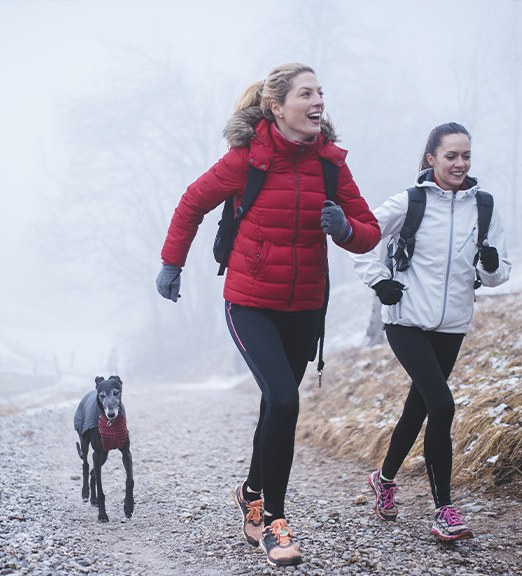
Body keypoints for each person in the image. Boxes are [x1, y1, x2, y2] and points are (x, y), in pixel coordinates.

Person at [155, 63, 380, 567]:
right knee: (283, 397)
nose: (319, 100)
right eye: (307, 94)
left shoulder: (331, 165)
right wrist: (172, 264)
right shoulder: (247, 159)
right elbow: (191, 202)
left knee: (276, 404)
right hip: (250, 300)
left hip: (305, 305)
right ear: (277, 107)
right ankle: (271, 521)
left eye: (322, 91)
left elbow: (368, 231)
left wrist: (344, 227)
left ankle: (251, 489)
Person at [350, 122, 511, 542]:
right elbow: (364, 236)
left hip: (453, 325)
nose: (460, 164)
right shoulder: (410, 201)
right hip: (405, 320)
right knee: (442, 405)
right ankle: (444, 510)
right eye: (451, 156)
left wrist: (491, 264)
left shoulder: (485, 206)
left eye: (466, 156)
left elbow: (497, 276)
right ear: (431, 160)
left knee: (418, 408)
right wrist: (379, 280)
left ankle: (384, 480)